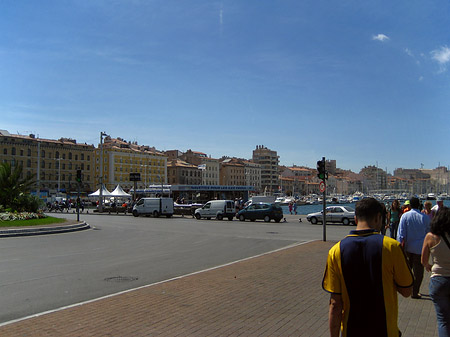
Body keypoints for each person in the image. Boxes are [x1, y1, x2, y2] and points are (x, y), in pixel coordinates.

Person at [323, 198, 413, 337]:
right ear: (378, 217)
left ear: (355, 219)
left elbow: (335, 304)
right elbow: (407, 291)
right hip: (385, 331)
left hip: (351, 330)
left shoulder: (336, 251)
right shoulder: (391, 247)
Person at [421, 207, 450, 337]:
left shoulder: (431, 237)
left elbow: (423, 260)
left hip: (439, 279)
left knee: (443, 320)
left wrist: (429, 266)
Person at [397, 197, 431, 299]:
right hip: (420, 248)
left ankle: (406, 288)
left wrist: (399, 246)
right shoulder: (425, 218)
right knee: (418, 272)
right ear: (419, 205)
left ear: (410, 205)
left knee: (407, 269)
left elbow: (401, 233)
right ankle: (415, 291)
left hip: (408, 247)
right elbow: (428, 233)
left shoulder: (405, 216)